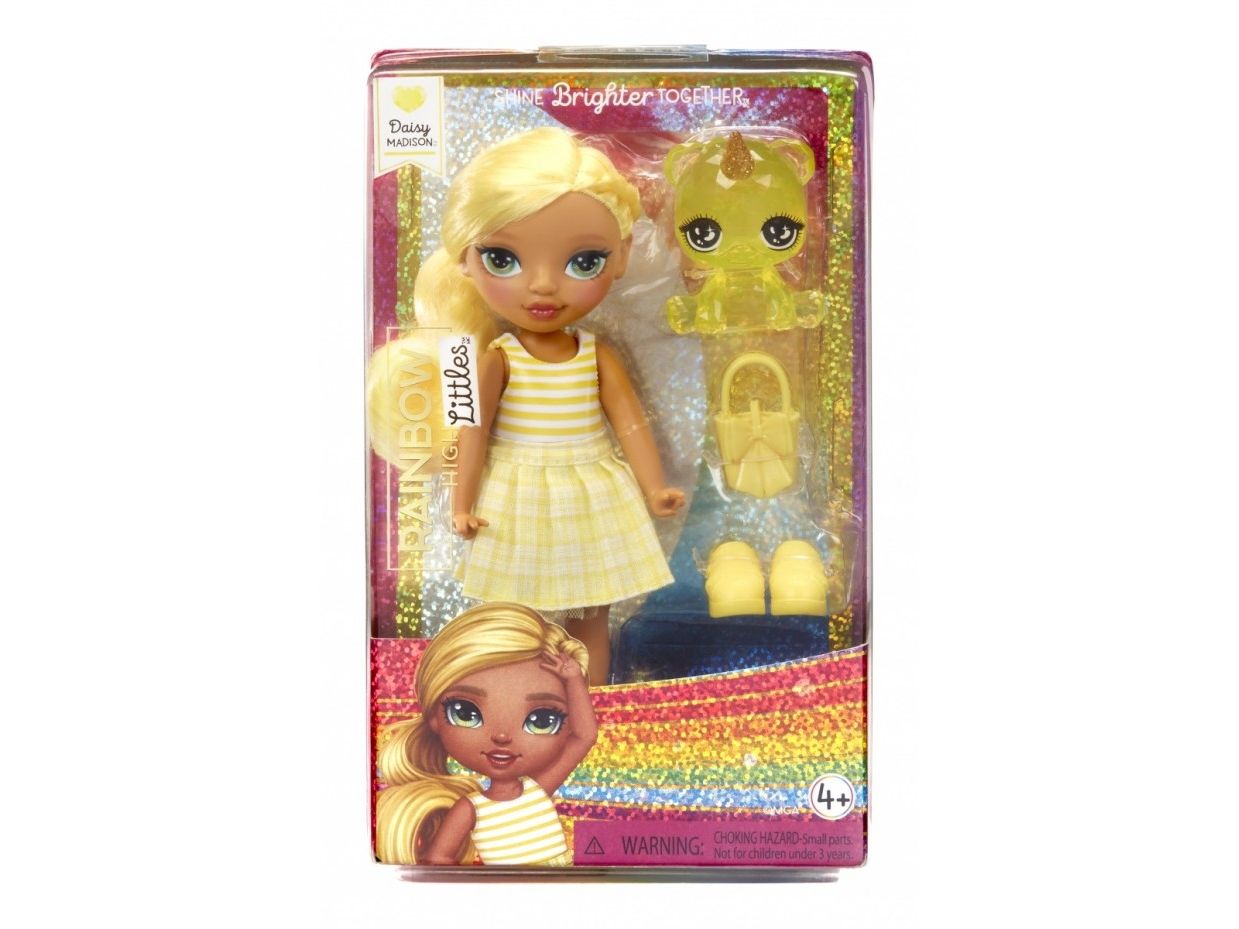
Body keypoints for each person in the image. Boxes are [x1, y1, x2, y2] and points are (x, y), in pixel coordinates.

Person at [407, 127, 684, 683]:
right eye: (502, 259)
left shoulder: (596, 354)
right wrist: (460, 503)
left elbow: (630, 424)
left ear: (622, 255)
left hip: (591, 491)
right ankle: (524, 703)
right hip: (517, 496)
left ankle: (592, 702)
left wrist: (655, 487)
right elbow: (472, 433)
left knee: (590, 614)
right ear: (464, 259)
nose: (542, 286)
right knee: (517, 619)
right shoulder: (495, 359)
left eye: (583, 261)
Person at [374, 602, 597, 866]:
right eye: (466, 713)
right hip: (498, 885)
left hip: (559, 881)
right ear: (434, 717)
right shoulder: (471, 808)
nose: (502, 737)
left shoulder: (536, 788)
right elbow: (438, 857)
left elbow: (584, 736)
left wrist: (573, 680)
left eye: (541, 720)